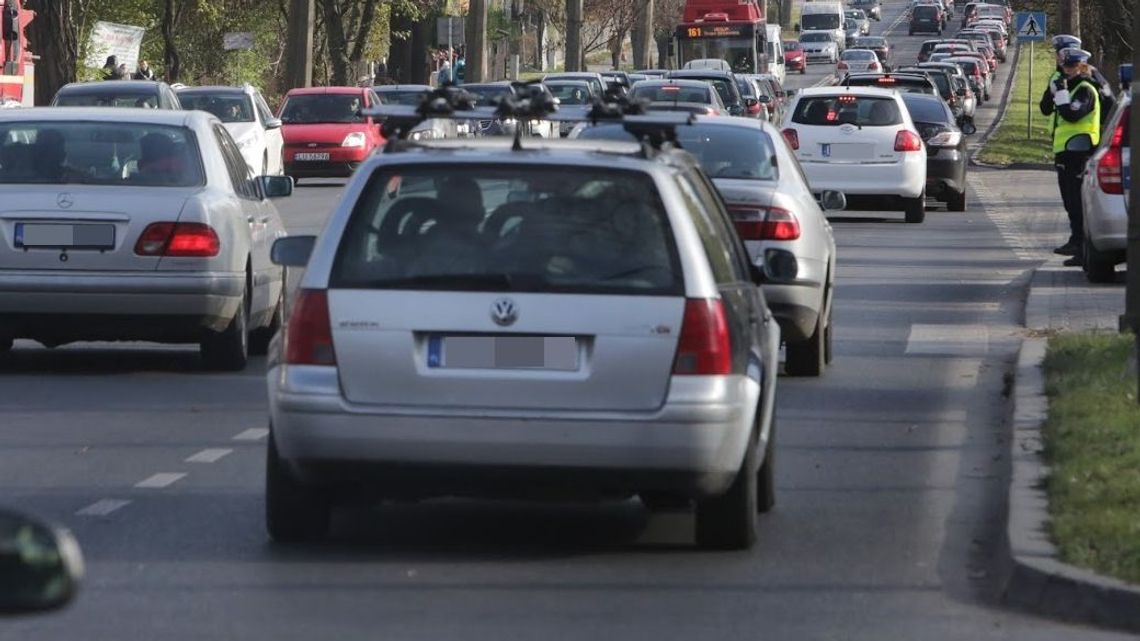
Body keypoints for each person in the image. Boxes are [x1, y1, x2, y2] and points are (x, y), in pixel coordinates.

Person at [1043, 49, 1102, 266]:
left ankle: (1081, 245)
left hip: (1080, 152)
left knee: (1077, 201)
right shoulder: (1068, 85)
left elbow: (1072, 114)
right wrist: (1053, 92)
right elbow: (1046, 108)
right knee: (1070, 201)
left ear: (1082, 67)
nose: (1067, 70)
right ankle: (1075, 240)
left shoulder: (1085, 90)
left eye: (1072, 67)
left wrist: (1060, 94)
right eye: (1065, 67)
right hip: (1065, 152)